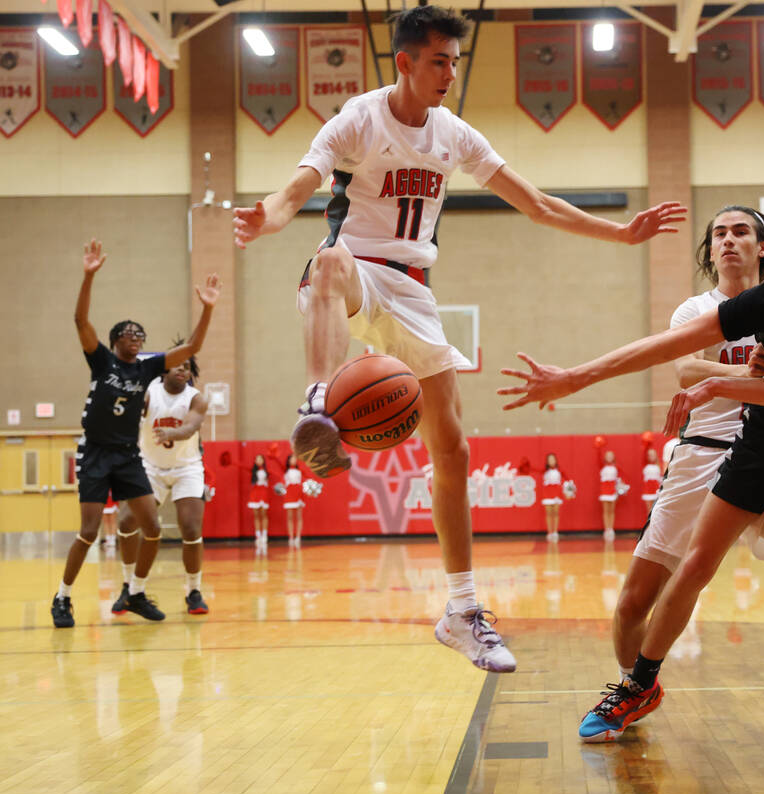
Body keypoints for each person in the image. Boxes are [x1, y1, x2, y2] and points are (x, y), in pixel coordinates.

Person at [232, 5, 684, 673]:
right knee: (325, 261)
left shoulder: (455, 134)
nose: (450, 72)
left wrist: (620, 233)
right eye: (439, 60)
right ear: (406, 62)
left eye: (455, 61)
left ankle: (461, 609)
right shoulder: (359, 117)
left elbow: (535, 203)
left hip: (414, 290)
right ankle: (315, 405)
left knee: (452, 444)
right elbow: (298, 184)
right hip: (354, 269)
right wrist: (267, 217)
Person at [500, 165, 764, 771]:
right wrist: (574, 376)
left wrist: (721, 381)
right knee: (693, 564)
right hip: (762, 440)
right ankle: (639, 681)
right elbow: (672, 347)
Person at [575, 206, 764, 761]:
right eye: (718, 233)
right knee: (632, 606)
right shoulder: (698, 309)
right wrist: (749, 372)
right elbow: (684, 371)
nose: (728, 241)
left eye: (741, 231)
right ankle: (636, 684)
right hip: (701, 459)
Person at [52, 239, 220, 628]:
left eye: (140, 332)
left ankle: (137, 591)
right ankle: (62, 598)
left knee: (154, 528)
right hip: (95, 453)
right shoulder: (102, 361)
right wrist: (88, 276)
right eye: (128, 332)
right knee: (91, 531)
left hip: (127, 455)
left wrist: (208, 308)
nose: (136, 335)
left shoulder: (147, 369)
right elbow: (80, 322)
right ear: (115, 341)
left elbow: (193, 345)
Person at [113, 351, 211, 616]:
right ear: (164, 369)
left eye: (187, 367)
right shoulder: (149, 392)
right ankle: (129, 586)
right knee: (125, 523)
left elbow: (190, 427)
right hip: (149, 467)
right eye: (177, 365)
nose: (182, 369)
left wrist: (172, 433)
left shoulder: (196, 398)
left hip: (186, 467)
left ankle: (193, 591)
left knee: (190, 528)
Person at [248, 453, 271, 551]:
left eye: (260, 459)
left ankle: (265, 535)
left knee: (264, 515)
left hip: (264, 493)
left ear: (263, 461)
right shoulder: (253, 471)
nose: (259, 461)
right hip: (255, 494)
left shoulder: (267, 471)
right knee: (256, 515)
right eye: (257, 459)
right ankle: (258, 535)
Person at [282, 454, 305, 547]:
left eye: (295, 458)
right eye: (291, 458)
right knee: (290, 517)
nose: (294, 460)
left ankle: (298, 536)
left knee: (299, 516)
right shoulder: (285, 472)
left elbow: (306, 480)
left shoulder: (300, 471)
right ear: (288, 461)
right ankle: (291, 537)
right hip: (289, 495)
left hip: (298, 494)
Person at [541, 452, 565, 543]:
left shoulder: (559, 471)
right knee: (548, 513)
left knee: (555, 512)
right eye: (549, 459)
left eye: (553, 459)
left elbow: (566, 479)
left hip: (556, 494)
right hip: (547, 494)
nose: (551, 461)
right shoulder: (544, 471)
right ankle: (549, 532)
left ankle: (555, 531)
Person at [598, 451, 620, 542]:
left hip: (613, 491)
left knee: (612, 511)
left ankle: (611, 529)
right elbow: (597, 457)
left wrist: (619, 490)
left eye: (611, 456)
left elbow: (619, 479)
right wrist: (599, 448)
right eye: (607, 456)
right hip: (604, 491)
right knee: (606, 511)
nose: (609, 457)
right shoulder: (602, 466)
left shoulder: (616, 467)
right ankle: (606, 529)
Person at [640, 448, 661, 516]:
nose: (652, 457)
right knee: (649, 511)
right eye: (650, 455)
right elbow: (642, 456)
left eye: (653, 455)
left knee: (657, 510)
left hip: (656, 490)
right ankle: (649, 526)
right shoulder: (645, 465)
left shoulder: (659, 466)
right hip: (648, 490)